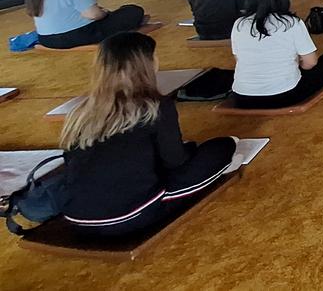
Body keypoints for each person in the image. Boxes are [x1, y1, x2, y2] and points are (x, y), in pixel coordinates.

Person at [59, 32, 238, 237]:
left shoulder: (81, 113)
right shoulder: (156, 107)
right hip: (132, 215)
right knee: (223, 146)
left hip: (76, 217)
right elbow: (176, 163)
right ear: (147, 64)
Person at [231, 0, 323, 109]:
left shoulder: (239, 24)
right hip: (284, 96)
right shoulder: (291, 23)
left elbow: (238, 58)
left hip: (242, 98)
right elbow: (310, 63)